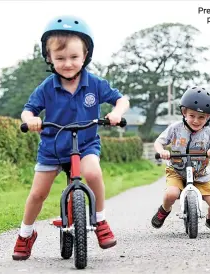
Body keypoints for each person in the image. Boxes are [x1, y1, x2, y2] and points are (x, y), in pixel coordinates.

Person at [12, 15, 130, 260]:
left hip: (85, 144)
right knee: (37, 194)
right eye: (60, 58)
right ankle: (26, 234)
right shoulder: (47, 86)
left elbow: (121, 99)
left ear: (86, 55)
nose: (68, 63)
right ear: (49, 58)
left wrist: (116, 112)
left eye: (74, 57)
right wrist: (30, 119)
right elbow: (28, 109)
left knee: (94, 173)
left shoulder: (95, 84)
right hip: (52, 148)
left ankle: (100, 220)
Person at [151, 86, 210, 233]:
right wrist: (162, 151)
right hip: (177, 171)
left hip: (200, 174)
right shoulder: (175, 128)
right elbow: (158, 142)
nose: (196, 121)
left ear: (208, 117)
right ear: (184, 112)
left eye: (201, 117)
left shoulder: (209, 133)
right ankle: (164, 210)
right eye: (192, 115)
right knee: (170, 194)